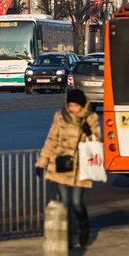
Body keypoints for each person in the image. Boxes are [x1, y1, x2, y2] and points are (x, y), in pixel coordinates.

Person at [35, 89, 101, 248]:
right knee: (64, 203)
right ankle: (67, 238)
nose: (73, 108)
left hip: (81, 167)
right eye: (70, 105)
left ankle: (84, 227)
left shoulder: (91, 118)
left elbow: (97, 143)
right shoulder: (59, 117)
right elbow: (51, 140)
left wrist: (89, 133)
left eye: (76, 105)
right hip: (61, 166)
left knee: (77, 202)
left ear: (82, 105)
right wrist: (41, 163)